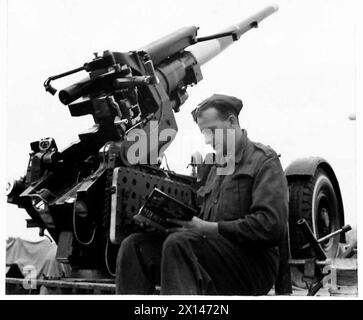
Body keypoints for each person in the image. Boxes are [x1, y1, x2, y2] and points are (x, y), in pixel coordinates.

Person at [115, 94, 289, 295]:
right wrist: (161, 223)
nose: (208, 141)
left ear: (232, 122)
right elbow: (201, 218)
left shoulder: (264, 161)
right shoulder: (217, 167)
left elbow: (271, 226)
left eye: (212, 131)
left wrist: (209, 228)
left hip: (253, 265)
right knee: (134, 246)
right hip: (211, 253)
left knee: (179, 244)